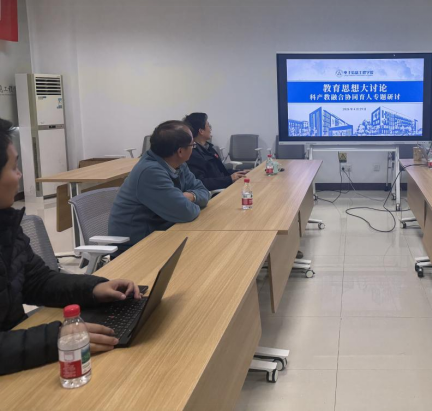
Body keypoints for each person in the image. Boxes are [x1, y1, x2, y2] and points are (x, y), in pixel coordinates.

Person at [0, 118, 141, 376]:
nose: (19, 175)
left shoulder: (6, 225)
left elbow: (38, 281)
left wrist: (93, 288)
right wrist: (54, 338)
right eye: (14, 167)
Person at [109, 120, 210, 254]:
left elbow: (204, 192)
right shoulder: (150, 172)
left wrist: (190, 197)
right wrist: (187, 202)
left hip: (163, 234)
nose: (193, 148)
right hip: (135, 248)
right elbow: (186, 212)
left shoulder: (179, 164)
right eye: (192, 145)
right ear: (180, 151)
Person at [183, 112, 248, 191]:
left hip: (224, 186)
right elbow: (202, 183)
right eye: (208, 126)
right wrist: (230, 179)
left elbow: (221, 172)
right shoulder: (192, 154)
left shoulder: (209, 149)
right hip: (216, 193)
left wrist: (240, 172)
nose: (210, 129)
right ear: (201, 131)